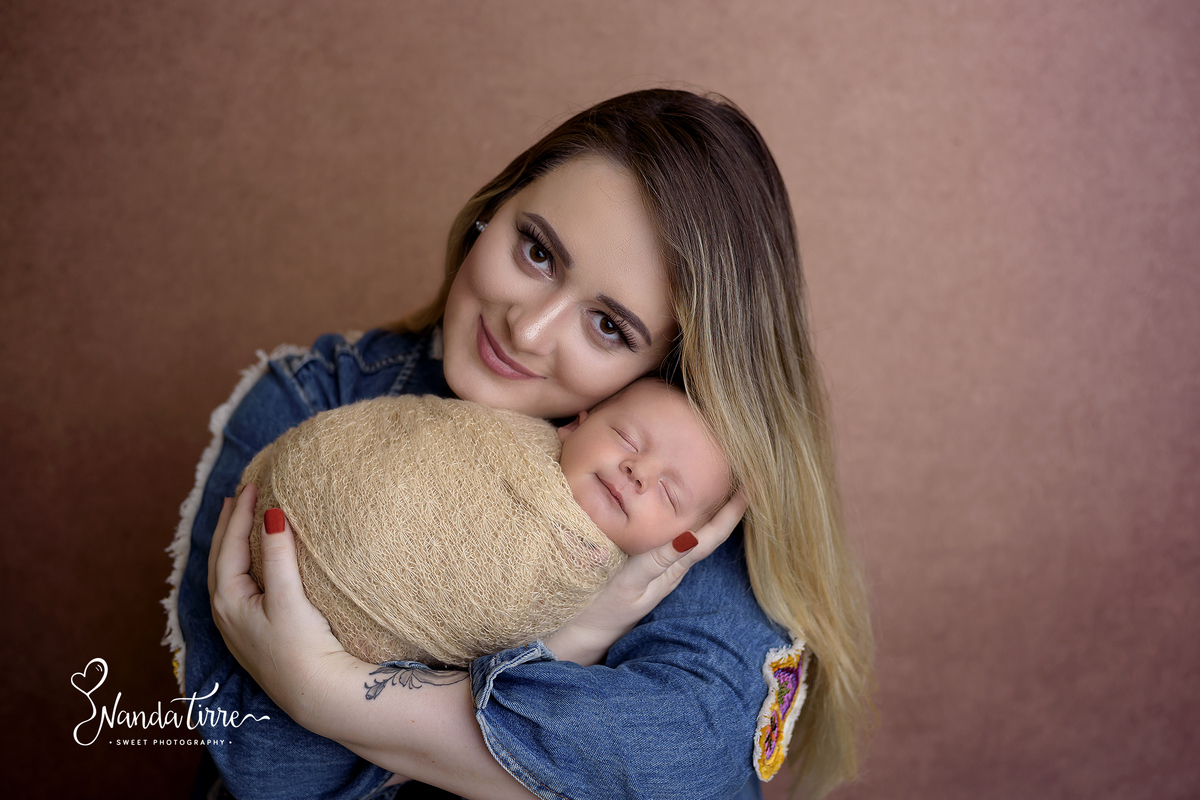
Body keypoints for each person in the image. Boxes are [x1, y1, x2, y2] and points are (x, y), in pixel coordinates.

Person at [176, 88, 872, 800]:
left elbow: (690, 764)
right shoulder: (310, 397)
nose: (527, 331)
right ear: (492, 210)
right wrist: (572, 640)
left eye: (610, 327)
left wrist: (327, 695)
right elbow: (269, 767)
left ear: (667, 363)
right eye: (537, 251)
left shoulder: (667, 492)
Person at [231, 378, 733, 669]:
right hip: (290, 512)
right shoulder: (499, 437)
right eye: (626, 437)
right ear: (576, 423)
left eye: (669, 493)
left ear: (677, 542)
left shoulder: (643, 605)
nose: (638, 472)